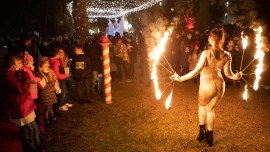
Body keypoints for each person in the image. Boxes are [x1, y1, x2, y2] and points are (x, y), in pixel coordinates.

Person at [171, 26, 242, 147]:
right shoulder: (227, 55)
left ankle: (201, 133)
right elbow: (228, 74)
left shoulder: (206, 53)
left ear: (211, 39)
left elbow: (196, 71)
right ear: (222, 39)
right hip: (220, 85)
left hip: (207, 84)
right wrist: (237, 77)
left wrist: (181, 78)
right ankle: (210, 137)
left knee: (202, 107)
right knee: (210, 109)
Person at [0, 53, 43, 151]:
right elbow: (22, 89)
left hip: (23, 105)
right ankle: (37, 147)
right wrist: (25, 75)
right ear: (12, 64)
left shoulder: (11, 73)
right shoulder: (8, 76)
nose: (21, 65)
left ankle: (29, 147)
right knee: (33, 129)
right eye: (19, 63)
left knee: (25, 129)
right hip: (21, 107)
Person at [36, 56, 60, 126]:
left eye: (48, 63)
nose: (48, 65)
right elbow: (44, 86)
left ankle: (52, 116)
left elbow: (54, 79)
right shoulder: (39, 74)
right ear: (41, 65)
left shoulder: (49, 71)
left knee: (51, 107)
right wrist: (53, 85)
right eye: (45, 64)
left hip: (51, 93)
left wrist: (56, 84)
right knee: (46, 108)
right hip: (45, 94)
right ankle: (46, 120)